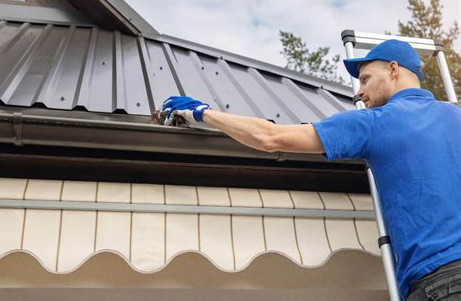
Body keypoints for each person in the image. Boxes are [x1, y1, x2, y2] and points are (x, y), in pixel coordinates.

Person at [159, 39, 461, 300]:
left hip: (440, 281)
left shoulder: (376, 123)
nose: (359, 92)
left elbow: (270, 138)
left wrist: (203, 113)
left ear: (393, 70)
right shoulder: (455, 115)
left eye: (366, 79)